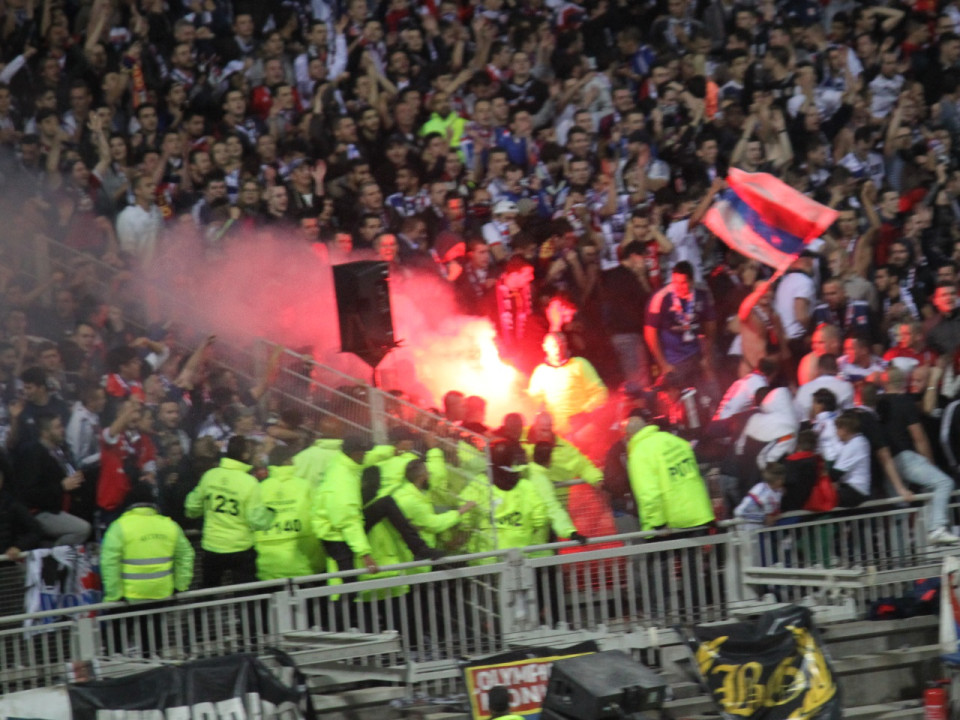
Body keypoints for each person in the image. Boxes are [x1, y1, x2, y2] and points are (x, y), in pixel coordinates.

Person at [311, 436, 444, 578]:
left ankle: (419, 549)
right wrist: (365, 554)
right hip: (335, 534)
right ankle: (343, 592)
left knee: (386, 503)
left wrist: (393, 450)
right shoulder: (342, 480)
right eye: (365, 452)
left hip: (339, 523)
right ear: (356, 454)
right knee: (348, 581)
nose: (367, 455)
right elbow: (347, 520)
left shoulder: (344, 461)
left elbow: (373, 456)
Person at [878, 367, 960, 544]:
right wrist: (931, 464)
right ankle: (936, 528)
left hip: (886, 463)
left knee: (899, 509)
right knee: (944, 483)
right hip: (905, 458)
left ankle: (900, 556)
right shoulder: (904, 402)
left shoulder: (879, 405)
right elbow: (919, 438)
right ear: (903, 382)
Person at [184, 436, 276, 586]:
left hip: (212, 546)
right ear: (245, 455)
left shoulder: (210, 476)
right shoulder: (249, 482)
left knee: (208, 591)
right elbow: (256, 520)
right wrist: (271, 516)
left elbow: (192, 507)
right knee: (246, 595)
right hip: (240, 548)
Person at [100, 482, 194, 602]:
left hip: (130, 598)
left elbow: (109, 563)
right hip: (163, 594)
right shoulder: (170, 525)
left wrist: (114, 596)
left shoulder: (119, 527)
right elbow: (186, 555)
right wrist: (180, 586)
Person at [626, 411, 715, 533]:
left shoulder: (639, 453)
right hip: (700, 515)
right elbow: (694, 474)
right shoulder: (674, 440)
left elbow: (648, 493)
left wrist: (658, 524)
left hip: (672, 524)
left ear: (629, 435)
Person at [13, 413, 91, 546]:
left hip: (62, 506)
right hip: (39, 512)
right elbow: (29, 493)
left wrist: (76, 478)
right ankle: (54, 555)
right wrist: (62, 487)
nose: (62, 430)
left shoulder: (60, 450)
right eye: (57, 427)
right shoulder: (33, 453)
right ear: (45, 433)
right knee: (82, 529)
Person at [644, 260, 717, 394]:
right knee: (676, 399)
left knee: (710, 393)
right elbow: (650, 333)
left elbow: (710, 325)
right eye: (675, 282)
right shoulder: (661, 298)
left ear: (691, 281)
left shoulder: (702, 294)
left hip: (696, 355)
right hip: (673, 361)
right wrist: (664, 365)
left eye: (683, 283)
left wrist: (707, 356)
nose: (678, 287)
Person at [254, 445, 324, 581]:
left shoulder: (260, 488)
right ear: (287, 461)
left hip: (266, 568)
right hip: (303, 565)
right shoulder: (305, 486)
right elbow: (319, 516)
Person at [527, 332, 608, 437]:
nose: (558, 349)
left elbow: (601, 392)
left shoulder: (580, 364)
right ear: (545, 347)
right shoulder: (540, 372)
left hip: (581, 432)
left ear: (566, 344)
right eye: (554, 346)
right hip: (554, 435)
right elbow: (532, 402)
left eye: (561, 344)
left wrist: (585, 413)